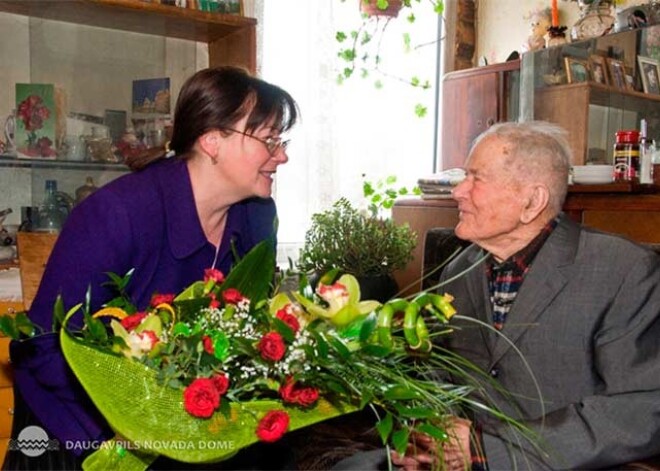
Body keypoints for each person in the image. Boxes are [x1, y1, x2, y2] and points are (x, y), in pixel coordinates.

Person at [5, 66, 299, 470]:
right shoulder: (117, 214)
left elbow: (240, 333)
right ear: (213, 141)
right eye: (269, 140)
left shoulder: (257, 217)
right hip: (74, 430)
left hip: (181, 426)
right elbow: (41, 343)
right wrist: (127, 427)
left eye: (280, 140)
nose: (281, 155)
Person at [393, 121, 660, 470]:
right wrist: (427, 436)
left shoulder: (624, 271)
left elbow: (638, 409)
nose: (458, 192)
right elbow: (442, 373)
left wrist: (486, 450)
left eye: (476, 178)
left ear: (532, 201)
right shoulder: (459, 271)